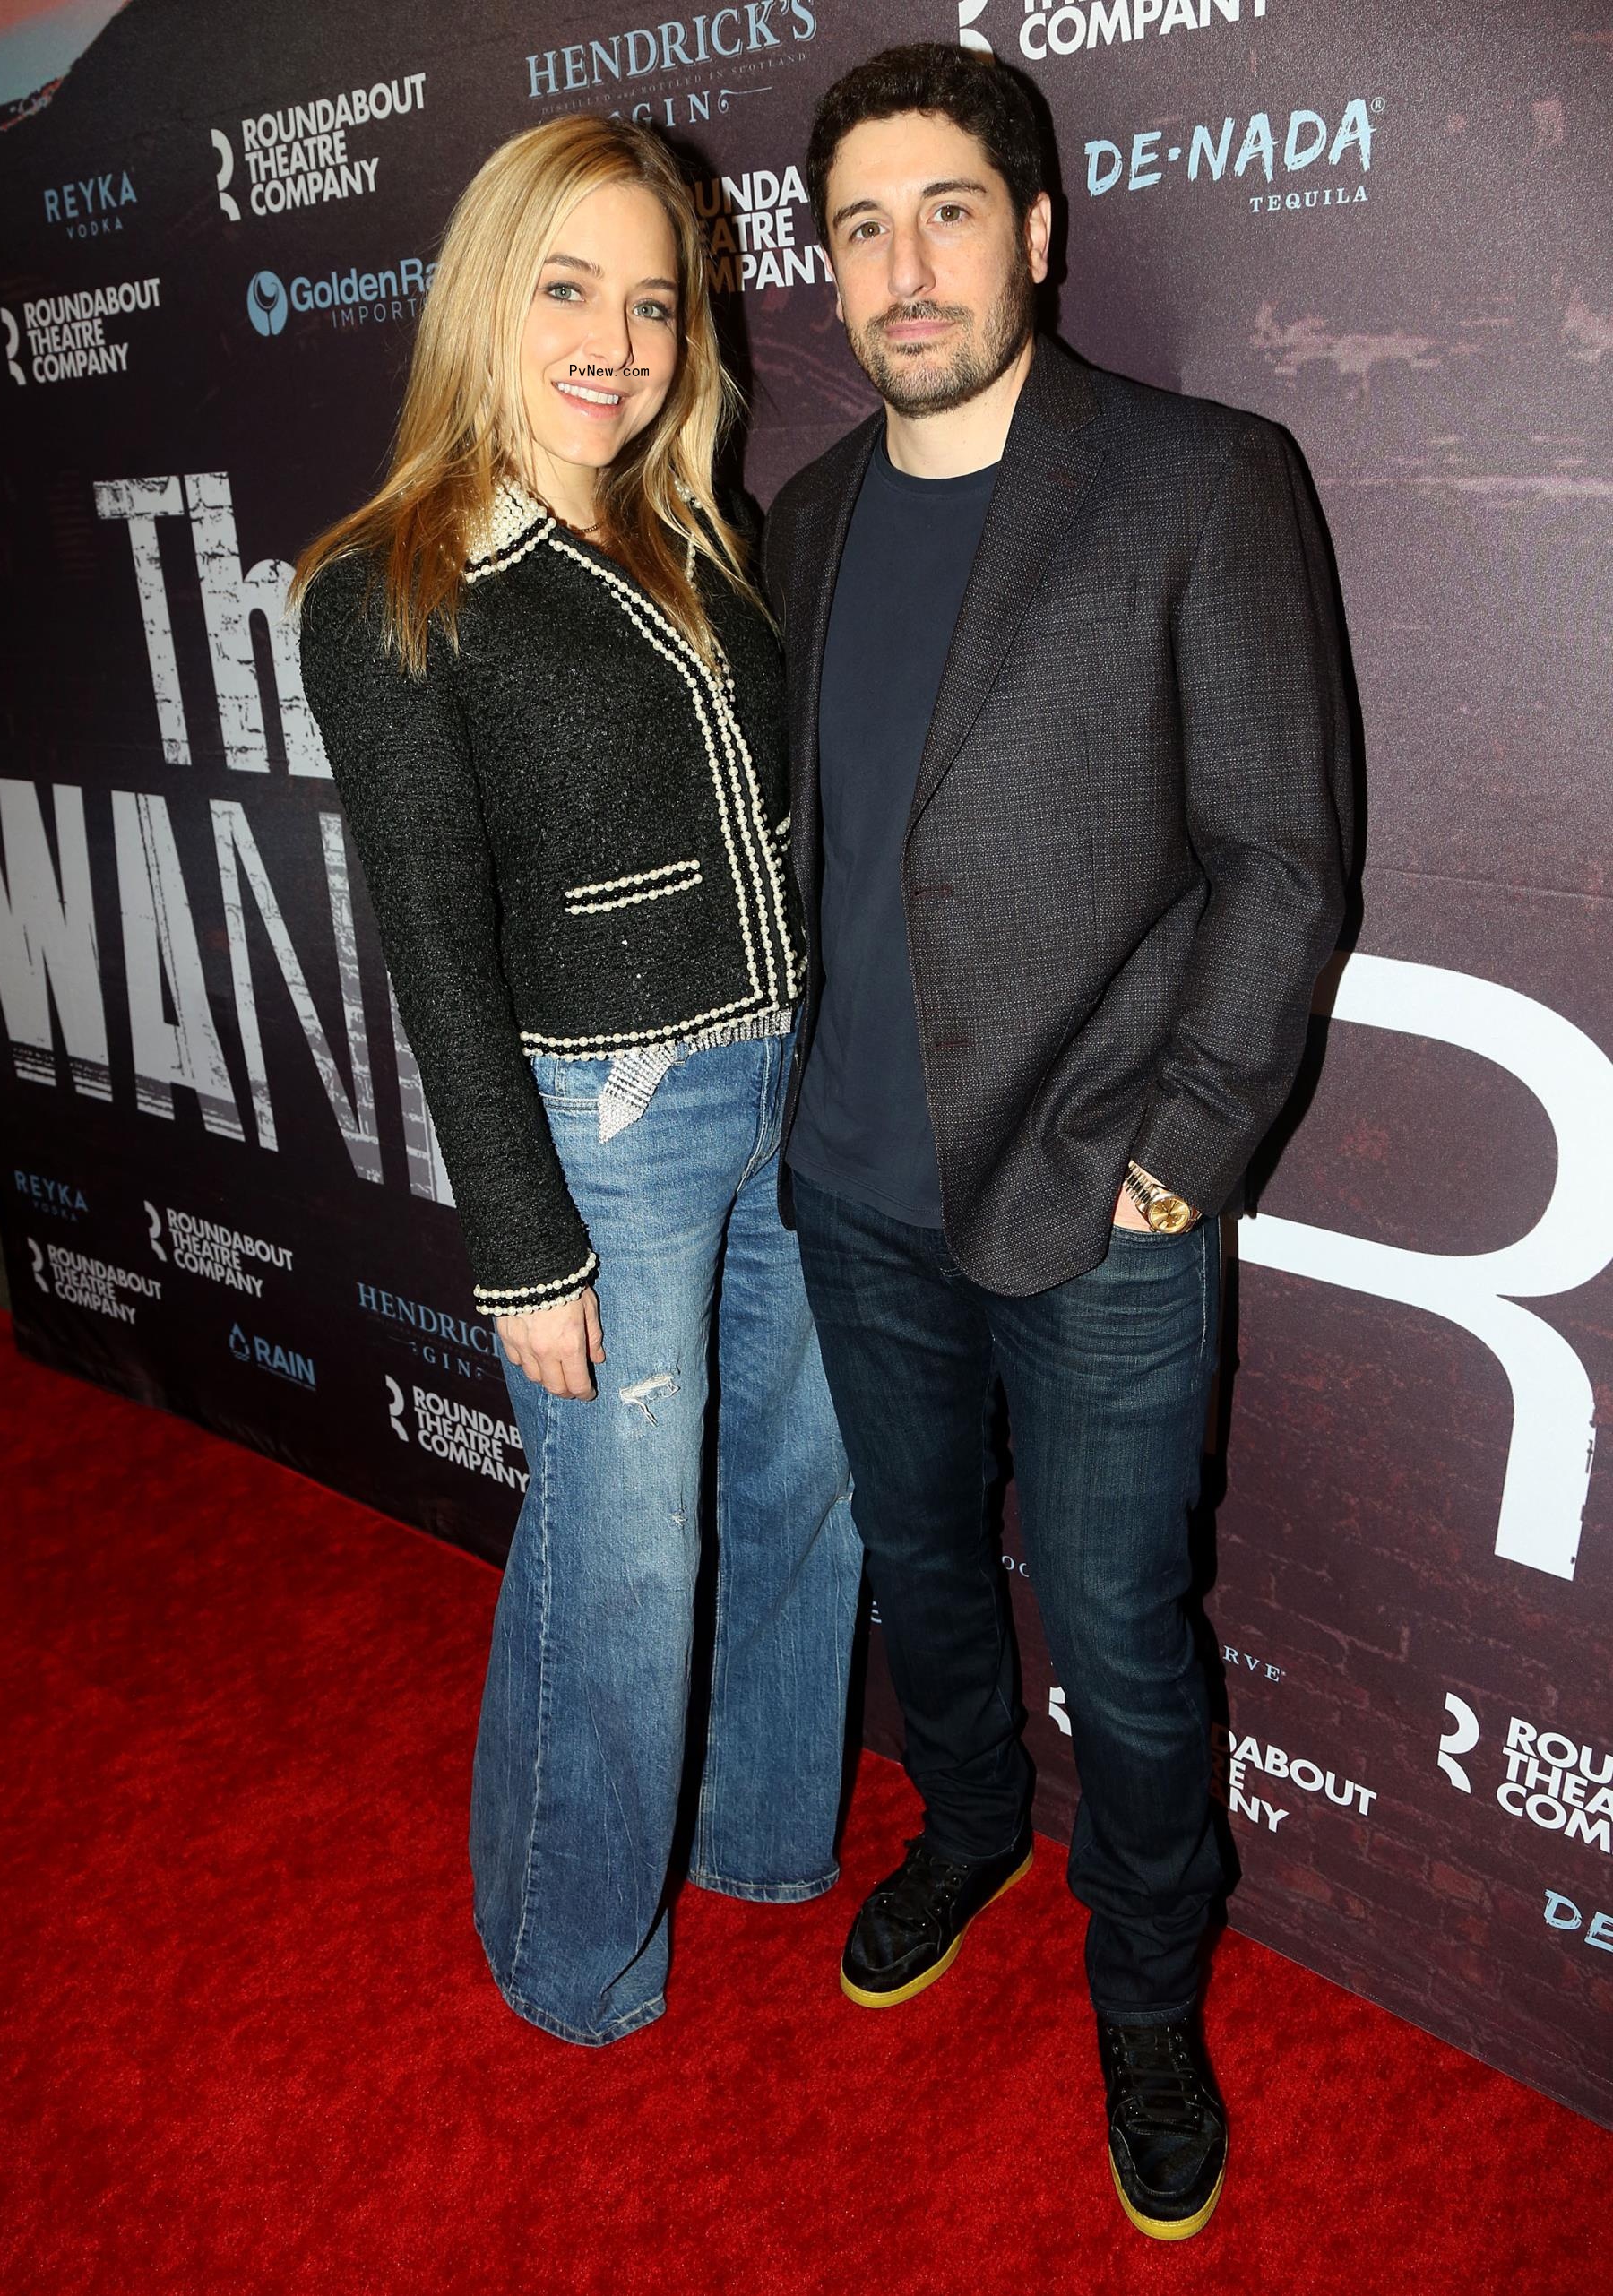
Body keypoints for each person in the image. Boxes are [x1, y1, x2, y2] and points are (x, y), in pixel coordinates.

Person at [763, 46, 1351, 2239]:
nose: (902, 271)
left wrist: (1180, 1156)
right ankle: (971, 1822)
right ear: (825, 271)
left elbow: (1281, 858)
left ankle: (1148, 2003)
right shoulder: (803, 526)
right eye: (857, 229)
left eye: (944, 213)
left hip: (1102, 1219)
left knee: (1122, 1636)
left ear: (1039, 230)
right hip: (851, 1201)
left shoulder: (1200, 481)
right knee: (925, 1583)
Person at [294, 114, 858, 2049]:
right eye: (568, 290)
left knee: (804, 1485)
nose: (615, 341)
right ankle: (570, 1951)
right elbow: (435, 946)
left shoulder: (702, 534)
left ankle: (763, 1837)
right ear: (485, 298)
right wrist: (520, 1247)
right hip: (607, 1136)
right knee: (624, 1563)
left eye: (652, 299)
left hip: (797, 1085)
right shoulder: (391, 587)